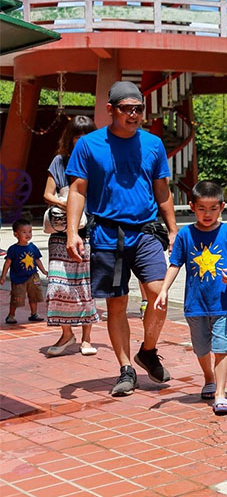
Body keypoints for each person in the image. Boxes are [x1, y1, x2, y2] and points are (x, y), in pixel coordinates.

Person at [65, 80, 178, 397]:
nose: (134, 115)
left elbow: (162, 190)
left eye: (138, 109)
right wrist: (73, 231)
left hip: (145, 232)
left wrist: (172, 228)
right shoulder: (89, 145)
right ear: (110, 110)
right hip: (106, 235)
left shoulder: (153, 144)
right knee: (117, 305)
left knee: (159, 295)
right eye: (127, 109)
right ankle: (126, 368)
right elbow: (77, 190)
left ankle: (148, 350)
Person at [155, 181, 227, 415]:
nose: (207, 214)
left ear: (222, 207)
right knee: (201, 348)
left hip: (222, 302)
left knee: (222, 348)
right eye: (202, 208)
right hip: (195, 304)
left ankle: (221, 394)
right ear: (192, 206)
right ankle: (209, 377)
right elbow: (175, 264)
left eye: (213, 208)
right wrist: (164, 289)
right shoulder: (185, 234)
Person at [43, 115, 100, 356]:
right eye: (78, 135)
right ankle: (66, 334)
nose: (82, 140)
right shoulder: (60, 161)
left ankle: (87, 338)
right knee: (56, 286)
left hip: (89, 233)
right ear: (70, 137)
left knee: (85, 286)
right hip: (60, 232)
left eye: (87, 135)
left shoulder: (97, 161)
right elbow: (48, 193)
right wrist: (68, 204)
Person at [2, 219, 48, 324]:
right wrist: (3, 275)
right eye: (24, 232)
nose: (28, 234)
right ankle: (11, 315)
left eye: (30, 231)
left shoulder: (33, 247)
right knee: (17, 297)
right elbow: (7, 263)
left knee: (35, 295)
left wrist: (43, 271)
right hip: (18, 278)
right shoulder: (13, 249)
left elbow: (37, 260)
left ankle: (34, 314)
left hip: (33, 276)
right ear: (16, 234)